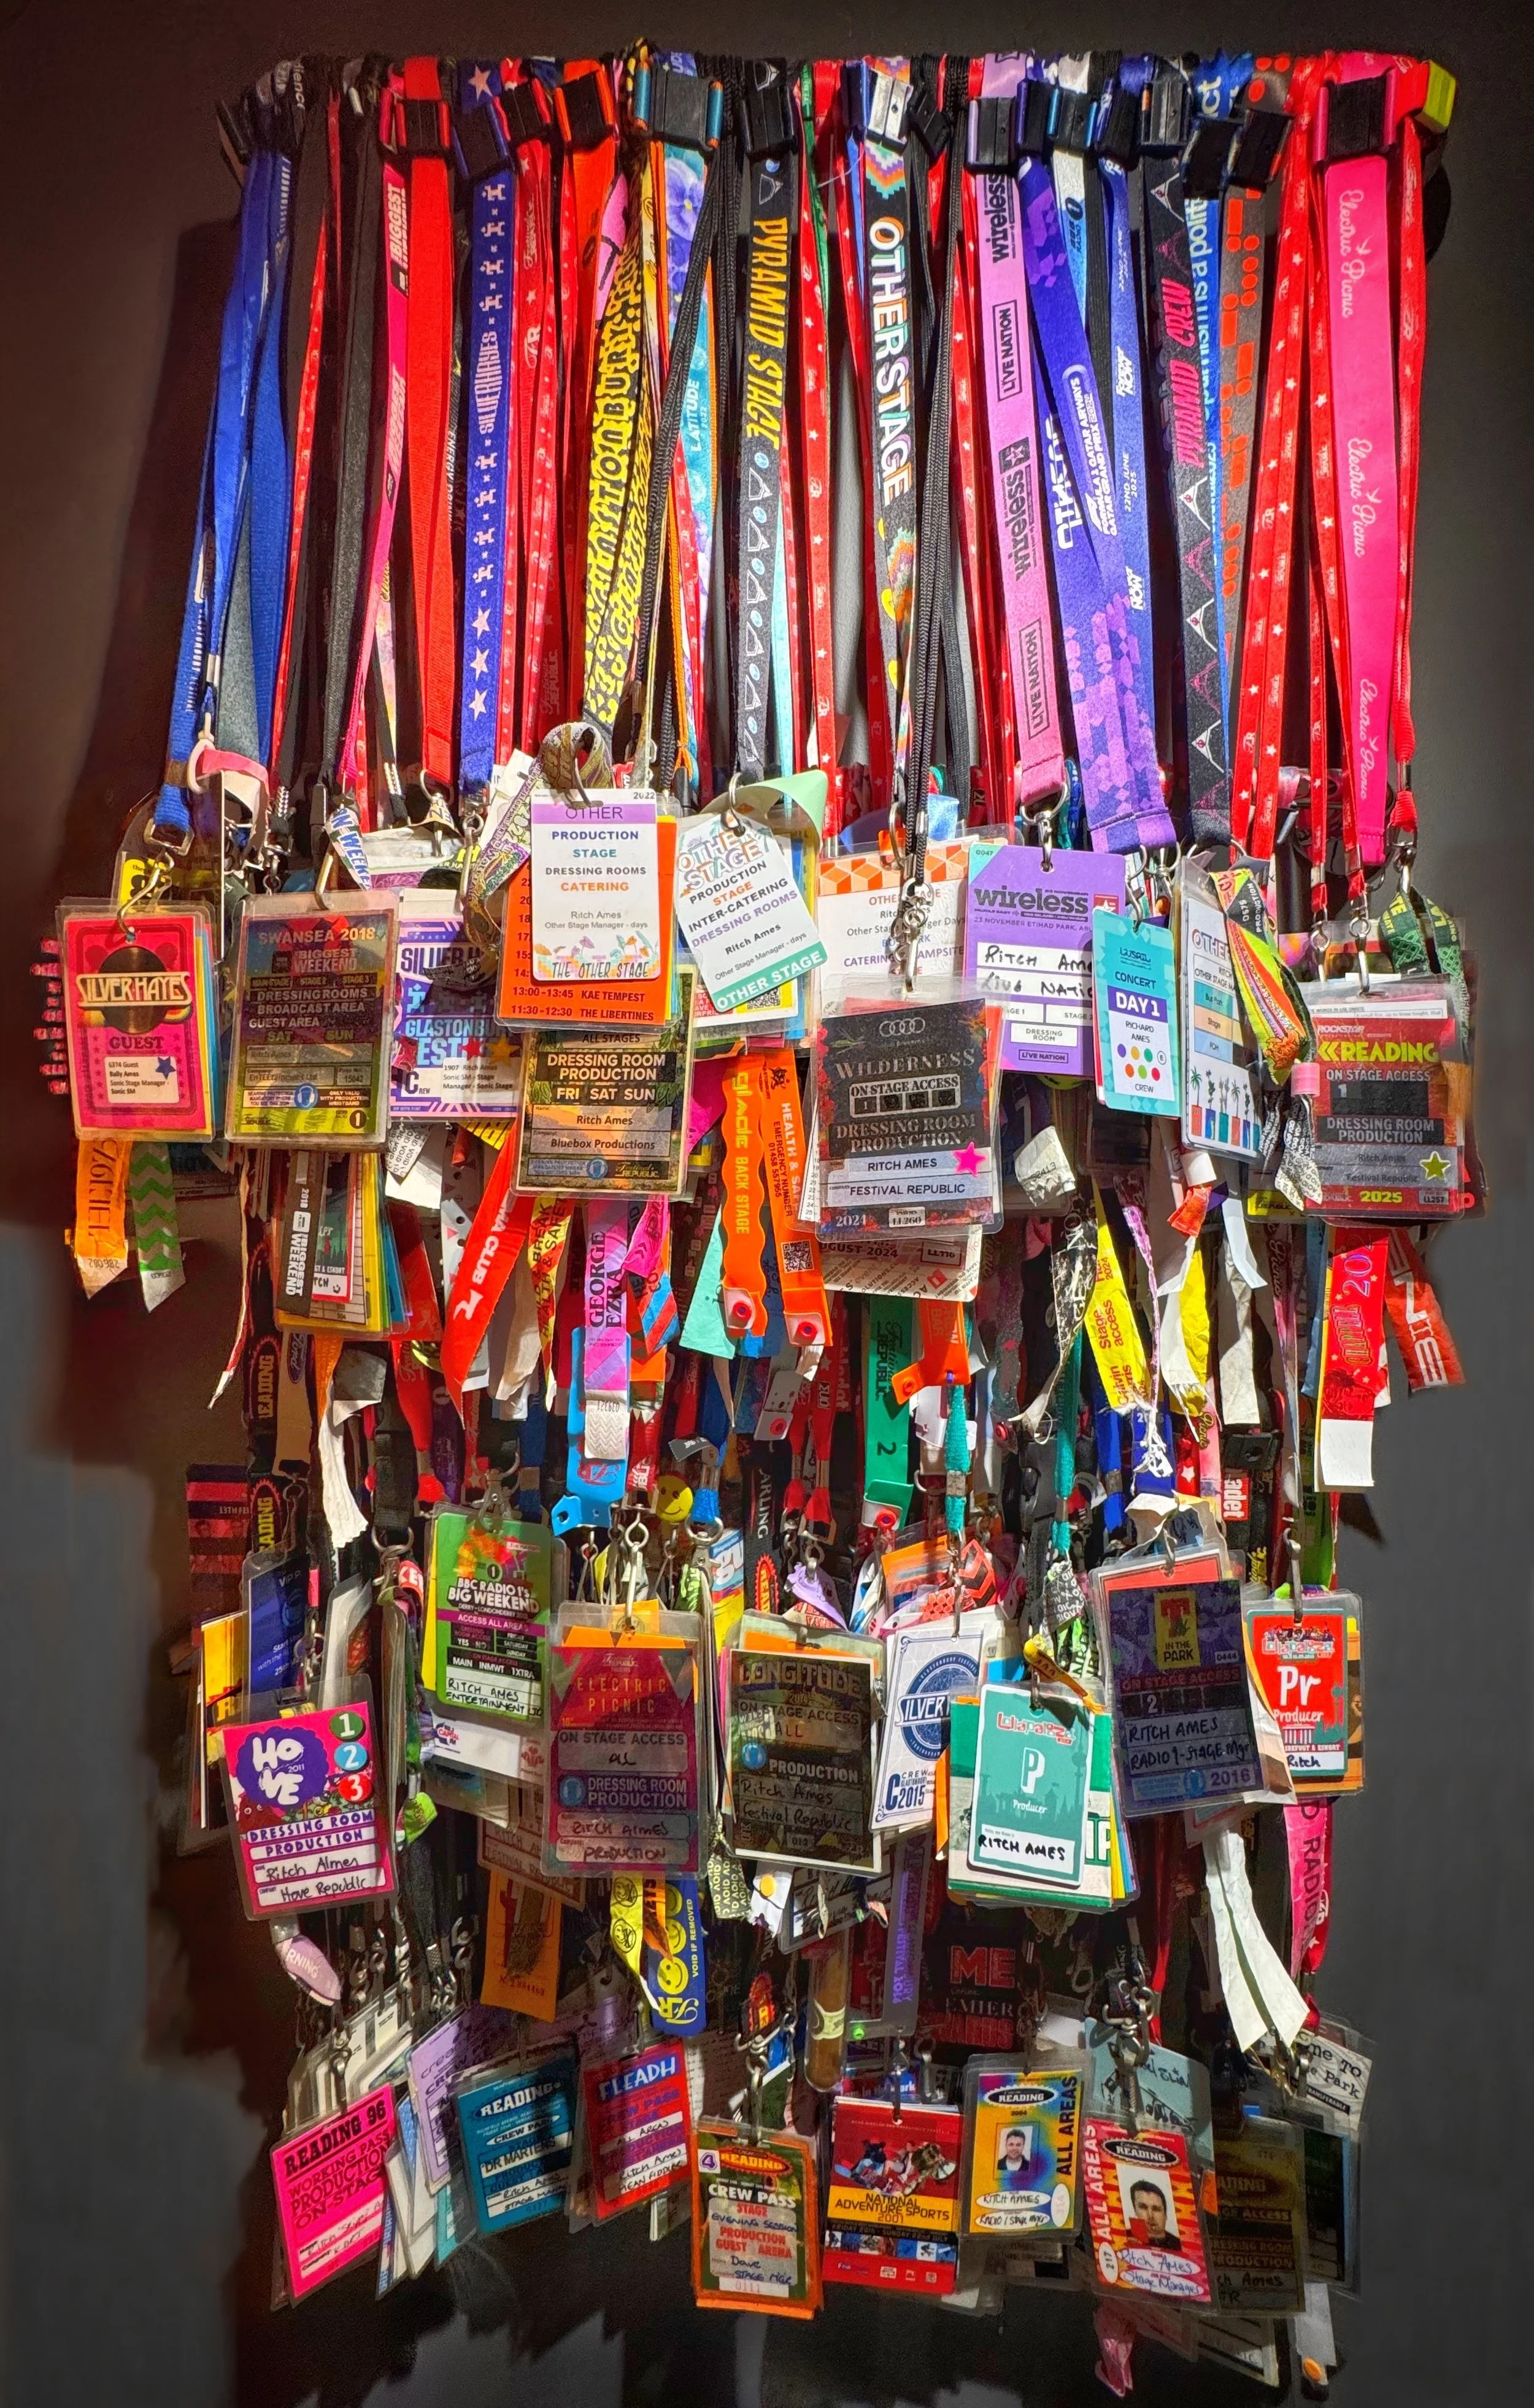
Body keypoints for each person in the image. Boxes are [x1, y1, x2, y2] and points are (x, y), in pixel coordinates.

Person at [1128, 2177, 1179, 2248]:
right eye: (1143, 2208)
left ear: (1165, 2214)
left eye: (1156, 2209)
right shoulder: (1125, 2237)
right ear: (1135, 2210)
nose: (1150, 2215)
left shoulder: (1178, 2245)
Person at [995, 2125, 1034, 2190]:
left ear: (1023, 2146)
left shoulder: (1029, 2166)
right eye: (1011, 2144)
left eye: (1018, 2145)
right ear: (1006, 2145)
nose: (1014, 2148)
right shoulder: (998, 2165)